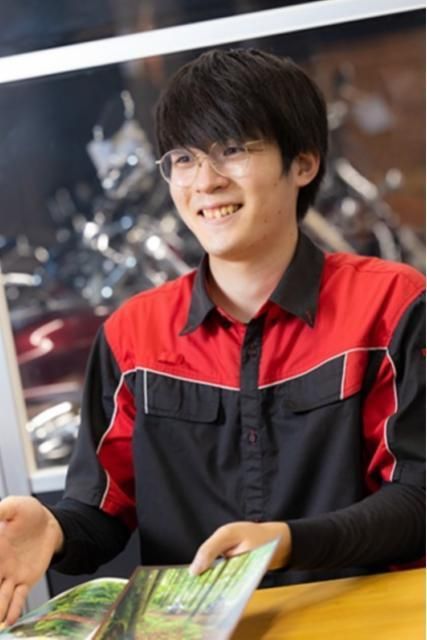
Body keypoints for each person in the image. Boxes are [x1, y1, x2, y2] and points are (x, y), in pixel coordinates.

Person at [0, 48, 425, 626]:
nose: (205, 182)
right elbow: (102, 510)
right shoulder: (132, 335)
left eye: (232, 150)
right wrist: (53, 528)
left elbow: (418, 497)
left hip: (363, 623)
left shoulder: (392, 305)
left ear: (303, 163)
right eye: (183, 158)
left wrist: (289, 542)